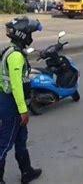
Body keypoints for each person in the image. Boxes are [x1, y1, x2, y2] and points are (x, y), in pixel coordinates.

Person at [0, 17, 43, 184]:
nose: (31, 37)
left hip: (10, 100)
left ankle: (27, 171)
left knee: (21, 138)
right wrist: (22, 109)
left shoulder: (10, 51)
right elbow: (16, 85)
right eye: (30, 33)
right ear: (22, 34)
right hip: (11, 104)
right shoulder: (16, 56)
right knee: (4, 143)